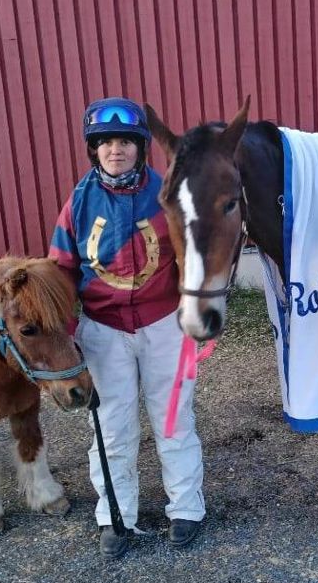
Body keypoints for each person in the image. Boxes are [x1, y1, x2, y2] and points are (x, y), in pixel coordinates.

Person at [48, 97, 205, 558]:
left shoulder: (168, 195)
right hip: (103, 330)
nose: (115, 151)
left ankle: (186, 508)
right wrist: (67, 329)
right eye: (105, 143)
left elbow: (193, 259)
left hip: (164, 326)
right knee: (111, 428)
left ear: (140, 147)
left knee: (174, 421)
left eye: (125, 142)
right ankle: (115, 515)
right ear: (93, 149)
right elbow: (60, 269)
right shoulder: (78, 203)